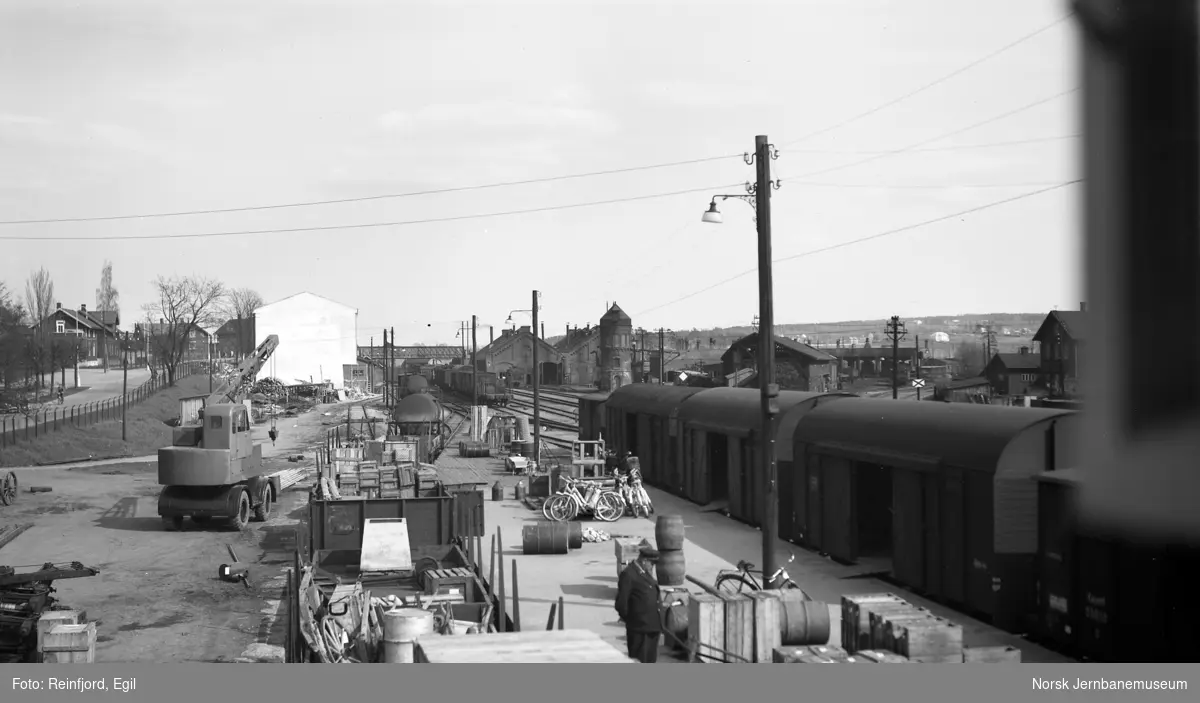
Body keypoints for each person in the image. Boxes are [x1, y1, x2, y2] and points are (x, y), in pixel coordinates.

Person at [615, 545, 662, 663]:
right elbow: (621, 603)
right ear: (644, 560)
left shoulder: (644, 572)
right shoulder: (629, 574)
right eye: (652, 563)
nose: (652, 567)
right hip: (639, 629)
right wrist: (633, 620)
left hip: (651, 628)